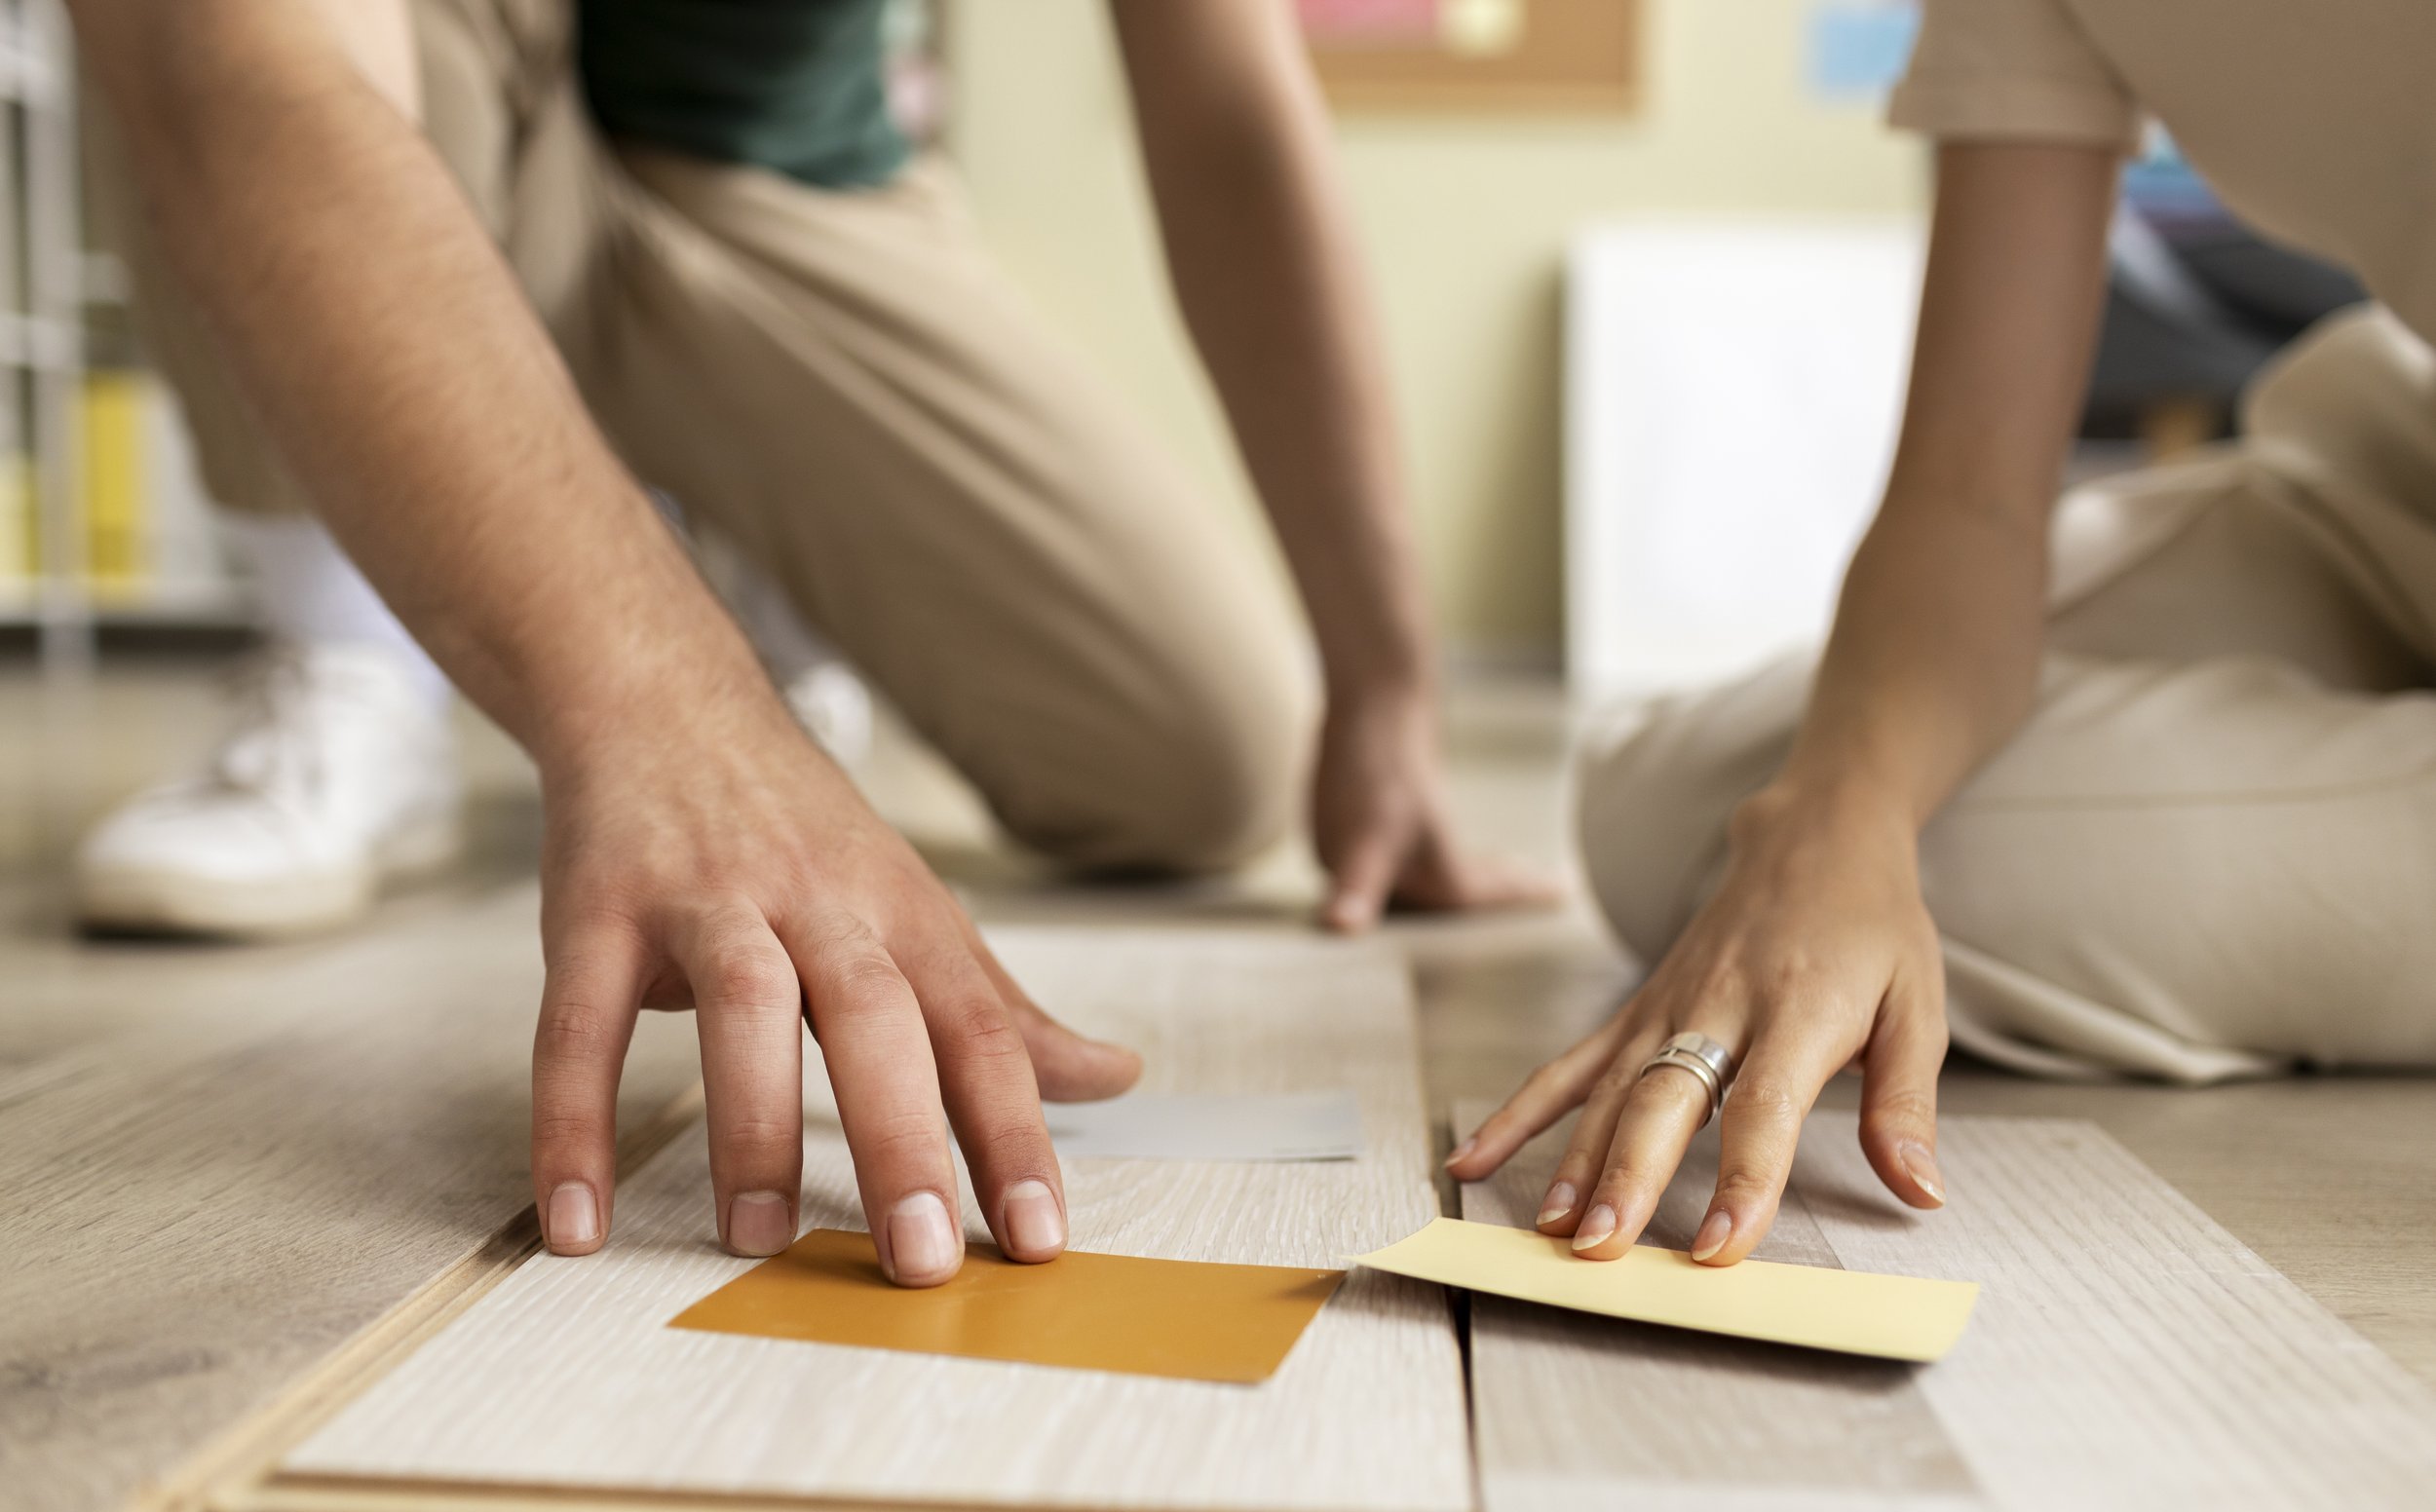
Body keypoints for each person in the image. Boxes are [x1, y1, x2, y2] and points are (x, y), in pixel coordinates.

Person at [71, 0, 1548, 1284]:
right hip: (393, 96)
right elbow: (246, 66)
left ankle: (724, 564)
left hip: (770, 171)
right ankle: (356, 646)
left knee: (1204, 762)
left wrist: (1383, 678)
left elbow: (1225, 97)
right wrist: (657, 710)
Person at [1452, 0, 2436, 1266]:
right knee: (1679, 806)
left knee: (1895, 867)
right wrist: (1837, 819)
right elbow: (1971, 493)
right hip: (2399, 473)